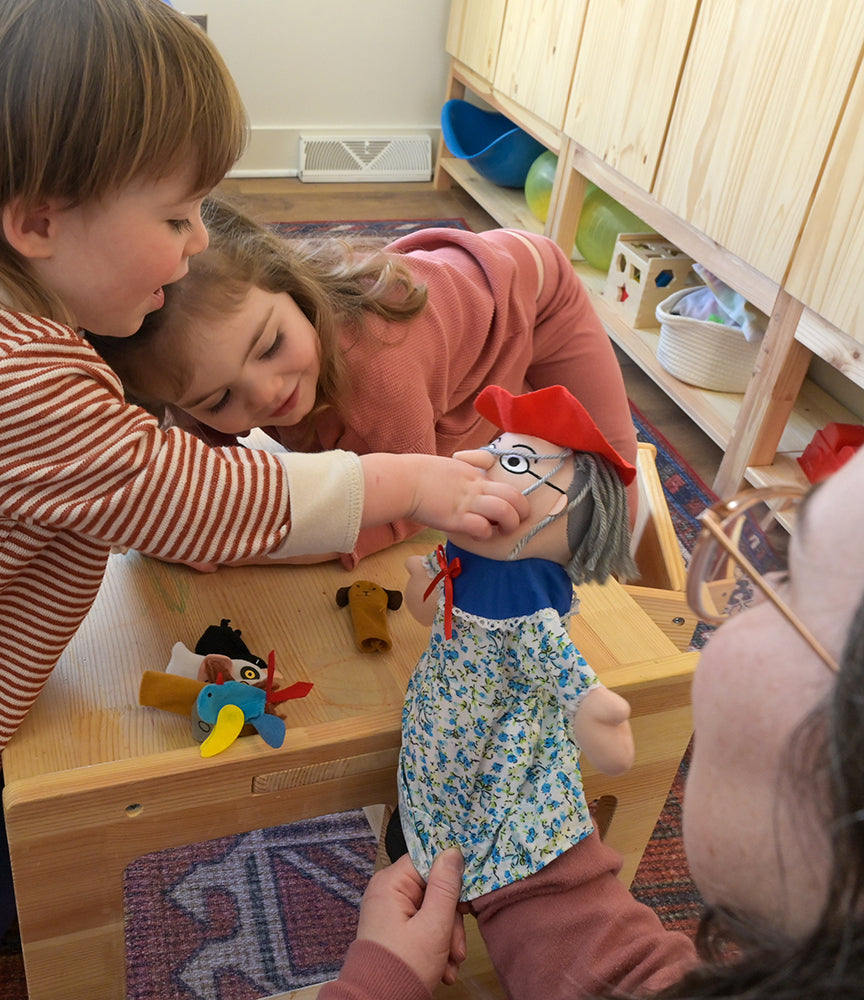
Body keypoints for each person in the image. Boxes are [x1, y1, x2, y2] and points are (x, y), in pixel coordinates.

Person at [0, 4, 528, 1000]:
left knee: (0, 886)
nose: (194, 244)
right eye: (175, 217)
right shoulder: (4, 376)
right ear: (39, 220)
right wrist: (410, 481)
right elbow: (196, 498)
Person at [319, 445, 864, 1000]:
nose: (724, 632)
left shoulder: (531, 599)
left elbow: (552, 654)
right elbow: (629, 981)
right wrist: (532, 875)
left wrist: (375, 988)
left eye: (793, 586)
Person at [88, 196, 639, 567]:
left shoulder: (379, 369)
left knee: (609, 474)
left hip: (537, 296)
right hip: (441, 312)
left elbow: (405, 507)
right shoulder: (212, 364)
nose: (265, 393)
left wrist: (250, 548)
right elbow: (191, 474)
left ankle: (633, 597)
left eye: (271, 346)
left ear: (293, 291)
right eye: (220, 399)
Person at [395, 385, 638, 903]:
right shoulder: (463, 554)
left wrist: (592, 706)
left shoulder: (524, 592)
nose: (477, 464)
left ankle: (471, 882)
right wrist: (425, 579)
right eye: (499, 448)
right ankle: (427, 854)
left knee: (487, 807)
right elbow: (430, 604)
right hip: (438, 699)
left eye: (515, 460)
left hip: (495, 726)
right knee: (426, 779)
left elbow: (553, 655)